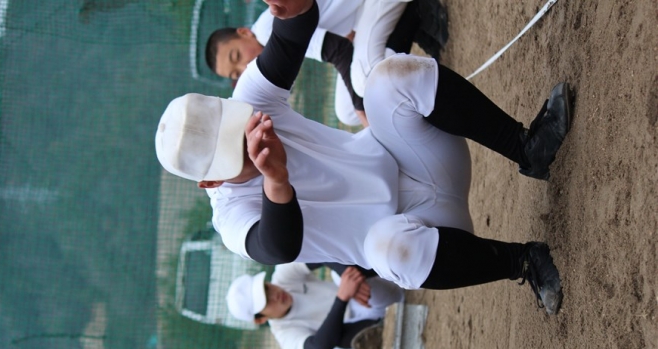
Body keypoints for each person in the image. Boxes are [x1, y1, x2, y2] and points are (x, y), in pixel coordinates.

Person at [155, 0, 573, 315]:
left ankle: (528, 148)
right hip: (425, 230)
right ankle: (523, 261)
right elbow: (277, 246)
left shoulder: (250, 99)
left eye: (236, 126)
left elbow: (292, 33)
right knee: (386, 250)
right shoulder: (230, 217)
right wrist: (276, 180)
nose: (248, 144)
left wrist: (294, 8)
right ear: (210, 182)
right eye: (233, 154)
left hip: (420, 157)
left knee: (385, 79)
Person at [205, 0, 440, 127]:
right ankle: (407, 25)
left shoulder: (267, 31)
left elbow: (341, 51)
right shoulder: (270, 51)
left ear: (244, 32)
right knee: (346, 113)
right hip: (363, 13)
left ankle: (416, 13)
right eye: (236, 73)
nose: (244, 66)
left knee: (363, 81)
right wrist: (359, 110)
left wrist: (364, 114)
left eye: (236, 56)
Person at [227, 263, 404, 349]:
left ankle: (397, 266)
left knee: (341, 274)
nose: (275, 294)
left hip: (382, 299)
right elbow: (318, 348)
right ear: (260, 320)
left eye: (267, 288)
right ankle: (388, 331)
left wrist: (347, 278)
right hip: (377, 343)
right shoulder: (284, 335)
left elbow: (322, 253)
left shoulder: (283, 275)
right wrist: (341, 299)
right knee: (328, 339)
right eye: (266, 301)